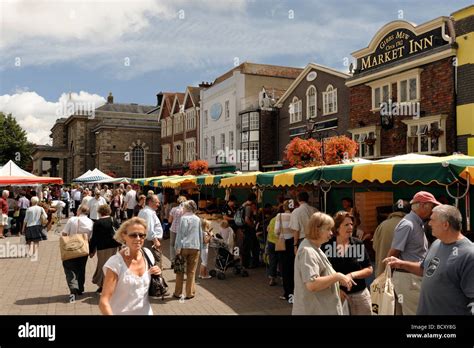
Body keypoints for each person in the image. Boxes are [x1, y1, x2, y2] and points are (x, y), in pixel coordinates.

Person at [385, 205, 474, 315]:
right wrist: (401, 264)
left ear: (445, 225)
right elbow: (426, 269)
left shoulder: (468, 254)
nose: (429, 224)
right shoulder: (437, 244)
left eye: (432, 220)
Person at [387, 191, 440, 315]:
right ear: (422, 205)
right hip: (408, 278)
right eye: (432, 206)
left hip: (414, 276)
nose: (433, 210)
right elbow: (393, 253)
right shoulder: (408, 224)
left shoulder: (417, 223)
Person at [292, 212, 355, 315]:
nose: (331, 233)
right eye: (328, 229)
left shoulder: (315, 247)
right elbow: (312, 284)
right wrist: (337, 277)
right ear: (317, 229)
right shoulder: (308, 251)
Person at [99, 217, 161, 315]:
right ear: (124, 236)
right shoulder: (115, 264)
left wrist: (155, 271)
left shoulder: (148, 254)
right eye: (133, 235)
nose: (138, 239)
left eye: (142, 235)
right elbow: (104, 302)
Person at [323, 211, 373, 315]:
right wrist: (337, 290)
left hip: (360, 295)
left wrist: (351, 275)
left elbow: (369, 269)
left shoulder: (357, 244)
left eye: (351, 224)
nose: (350, 227)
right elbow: (322, 272)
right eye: (346, 224)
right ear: (337, 228)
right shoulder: (327, 245)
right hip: (336, 295)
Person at [61, 205, 93, 296]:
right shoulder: (91, 222)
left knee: (69, 268)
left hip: (71, 247)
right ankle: (80, 288)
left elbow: (64, 233)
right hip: (83, 249)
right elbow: (91, 237)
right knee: (81, 268)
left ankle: (73, 286)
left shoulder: (72, 220)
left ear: (79, 211)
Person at [174, 200, 203, 300]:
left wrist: (177, 247)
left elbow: (180, 234)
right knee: (191, 271)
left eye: (184, 207)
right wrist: (201, 247)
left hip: (184, 246)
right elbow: (200, 234)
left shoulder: (183, 218)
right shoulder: (197, 219)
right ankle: (190, 293)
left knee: (180, 270)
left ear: (187, 208)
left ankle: (178, 293)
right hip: (195, 246)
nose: (183, 208)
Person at [372, 200, 410, 277]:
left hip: (383, 273)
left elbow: (375, 246)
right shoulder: (410, 225)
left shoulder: (382, 225)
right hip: (403, 275)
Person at [89, 205, 121, 293]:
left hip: (102, 247)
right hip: (113, 246)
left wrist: (91, 251)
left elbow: (94, 238)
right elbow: (119, 232)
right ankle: (109, 284)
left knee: (103, 266)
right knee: (112, 265)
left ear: (100, 212)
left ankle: (103, 285)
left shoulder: (97, 223)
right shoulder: (113, 220)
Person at [274, 200, 294, 299]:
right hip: (293, 243)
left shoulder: (280, 216)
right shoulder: (295, 215)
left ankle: (288, 294)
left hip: (283, 244)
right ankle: (295, 291)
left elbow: (276, 231)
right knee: (293, 268)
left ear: (284, 207)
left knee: (285, 269)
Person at [138, 195, 163, 267]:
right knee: (155, 264)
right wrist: (156, 241)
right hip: (151, 242)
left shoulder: (144, 211)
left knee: (147, 262)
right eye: (157, 202)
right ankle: (156, 278)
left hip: (147, 241)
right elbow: (149, 229)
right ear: (150, 202)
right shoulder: (148, 213)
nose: (158, 204)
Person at [242, 193, 260, 269]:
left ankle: (245, 263)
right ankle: (251, 263)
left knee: (247, 246)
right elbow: (247, 219)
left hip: (244, 228)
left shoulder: (243, 204)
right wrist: (252, 226)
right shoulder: (249, 207)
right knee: (253, 246)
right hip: (248, 229)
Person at [168, 195, 187, 266]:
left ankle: (173, 261)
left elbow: (169, 220)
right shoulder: (185, 211)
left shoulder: (173, 209)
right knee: (181, 245)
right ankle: (179, 260)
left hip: (173, 229)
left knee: (172, 245)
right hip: (182, 230)